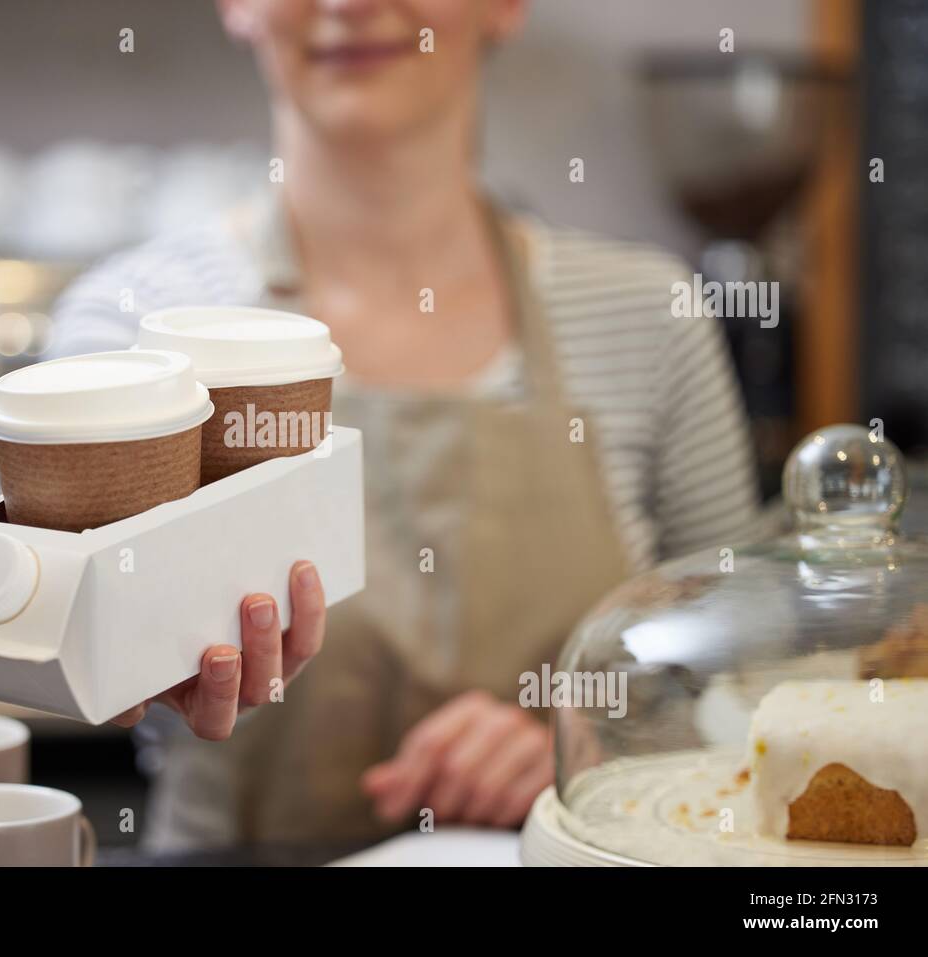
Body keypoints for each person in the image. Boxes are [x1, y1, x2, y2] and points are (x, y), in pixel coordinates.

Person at [53, 0, 758, 851]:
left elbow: (738, 670)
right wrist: (120, 652)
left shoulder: (648, 315)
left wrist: (590, 752)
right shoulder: (132, 323)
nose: (350, 5)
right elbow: (68, 644)